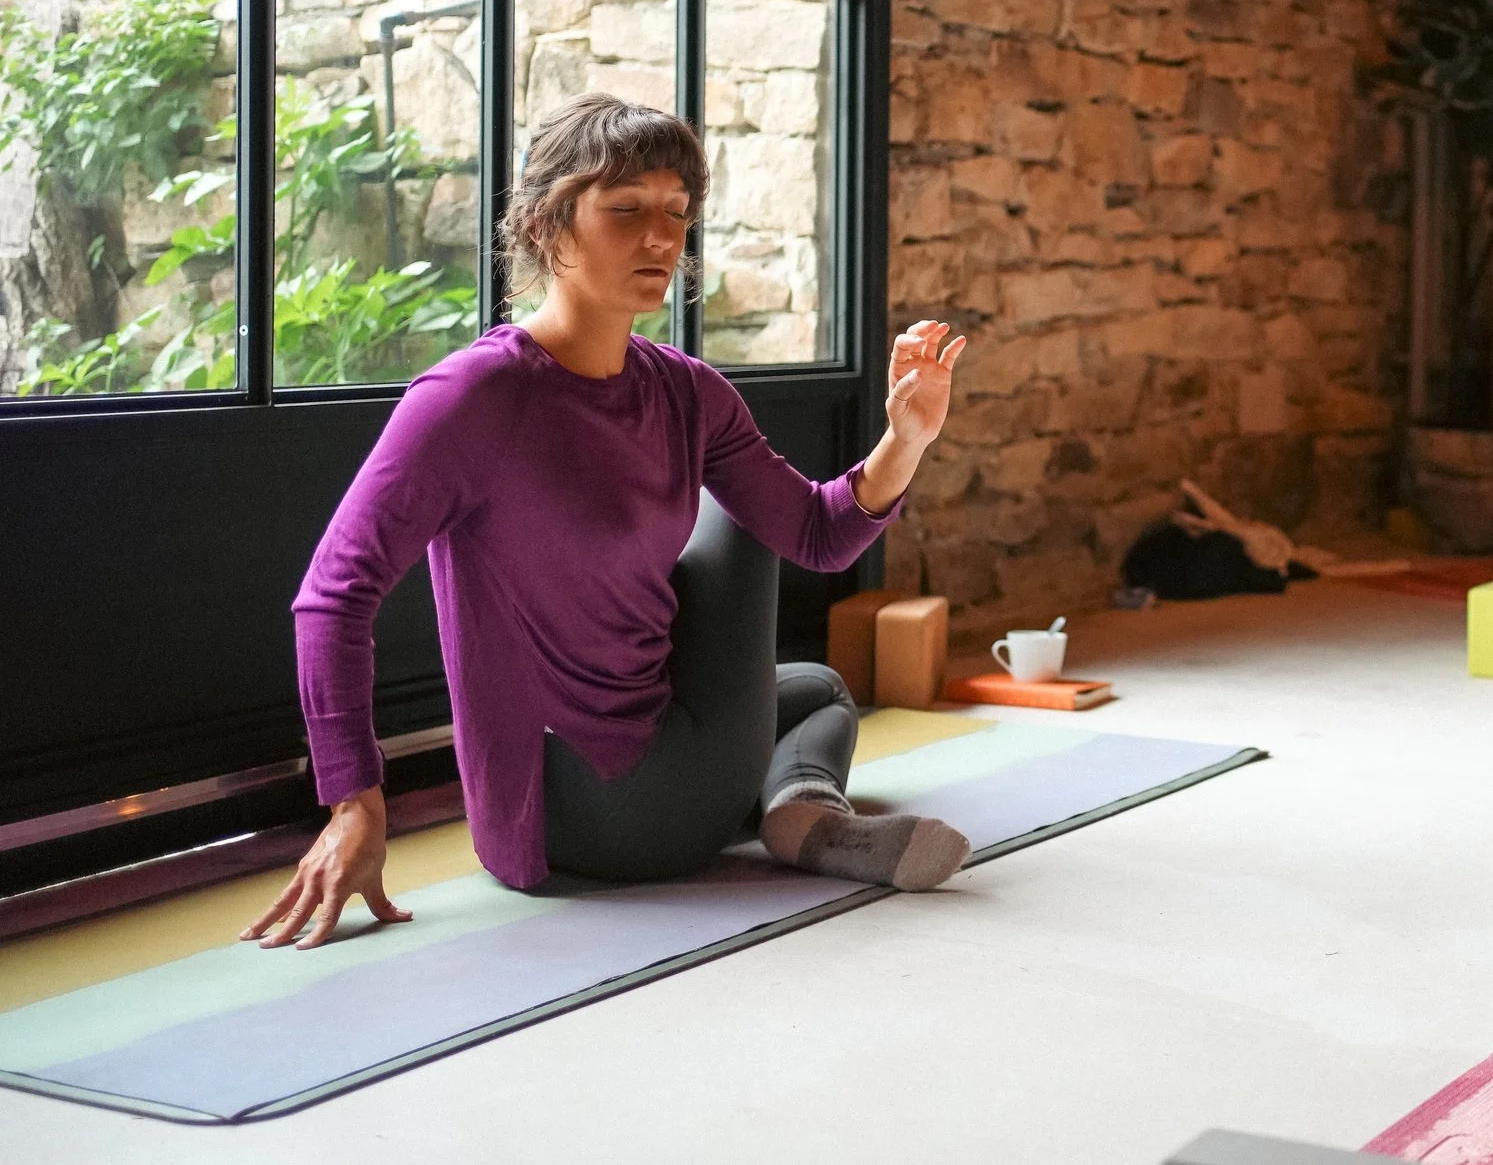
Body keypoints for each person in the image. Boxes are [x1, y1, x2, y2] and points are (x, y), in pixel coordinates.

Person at [245, 94, 971, 952]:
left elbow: (821, 533)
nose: (662, 237)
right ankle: (797, 811)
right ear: (551, 227)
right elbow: (334, 596)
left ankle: (798, 813)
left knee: (819, 691)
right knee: (740, 533)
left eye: (676, 212)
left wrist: (905, 438)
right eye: (625, 210)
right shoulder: (473, 398)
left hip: (612, 796)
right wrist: (354, 802)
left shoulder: (685, 390)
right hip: (597, 812)